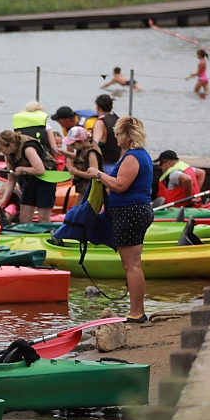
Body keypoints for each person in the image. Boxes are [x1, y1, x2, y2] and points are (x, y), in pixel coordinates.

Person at [79, 116, 153, 323]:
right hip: (135, 210)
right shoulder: (140, 155)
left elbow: (120, 185)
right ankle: (137, 310)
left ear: (128, 136)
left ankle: (137, 312)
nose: (117, 138)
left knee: (131, 265)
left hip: (130, 212)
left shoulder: (132, 157)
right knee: (133, 264)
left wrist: (98, 174)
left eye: (119, 134)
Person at [0, 129, 52, 223]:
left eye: (1, 148)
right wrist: (3, 199)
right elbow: (11, 180)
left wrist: (22, 169)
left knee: (43, 218)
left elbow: (40, 170)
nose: (0, 151)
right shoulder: (8, 155)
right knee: (24, 217)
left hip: (45, 179)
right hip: (29, 180)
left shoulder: (28, 149)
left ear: (10, 146)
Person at [63, 125, 102, 200]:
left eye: (73, 144)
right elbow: (81, 158)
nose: (71, 146)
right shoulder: (82, 149)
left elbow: (95, 174)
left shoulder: (91, 153)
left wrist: (76, 172)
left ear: (80, 142)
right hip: (83, 189)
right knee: (77, 209)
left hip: (91, 190)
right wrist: (66, 154)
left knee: (78, 209)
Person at [92, 94, 121, 166]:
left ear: (98, 108)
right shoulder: (117, 119)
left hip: (106, 163)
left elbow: (94, 143)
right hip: (118, 162)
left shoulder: (100, 123)